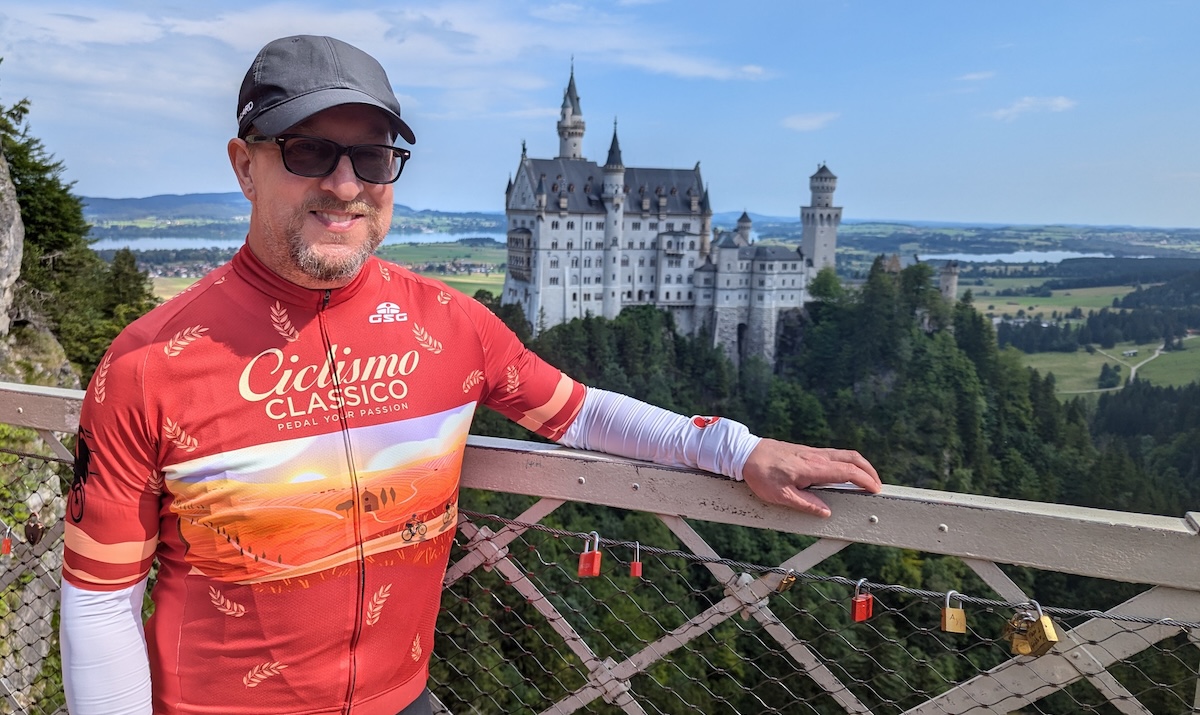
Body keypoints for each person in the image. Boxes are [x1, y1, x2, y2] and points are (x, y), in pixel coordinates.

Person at [59, 35, 881, 715]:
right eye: (309, 151)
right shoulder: (147, 364)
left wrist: (736, 450)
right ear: (245, 166)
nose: (345, 183)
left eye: (373, 157)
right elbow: (99, 599)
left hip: (403, 698)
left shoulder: (446, 325)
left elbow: (582, 413)